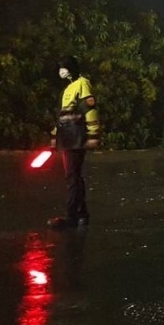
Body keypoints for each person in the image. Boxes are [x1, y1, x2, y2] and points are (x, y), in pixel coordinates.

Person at [48, 56, 100, 229]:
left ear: (71, 68)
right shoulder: (69, 87)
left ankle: (71, 217)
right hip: (68, 137)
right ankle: (81, 214)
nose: (60, 71)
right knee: (75, 177)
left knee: (72, 176)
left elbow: (89, 110)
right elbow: (63, 115)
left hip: (77, 136)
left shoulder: (82, 84)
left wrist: (93, 135)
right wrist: (55, 137)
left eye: (63, 68)